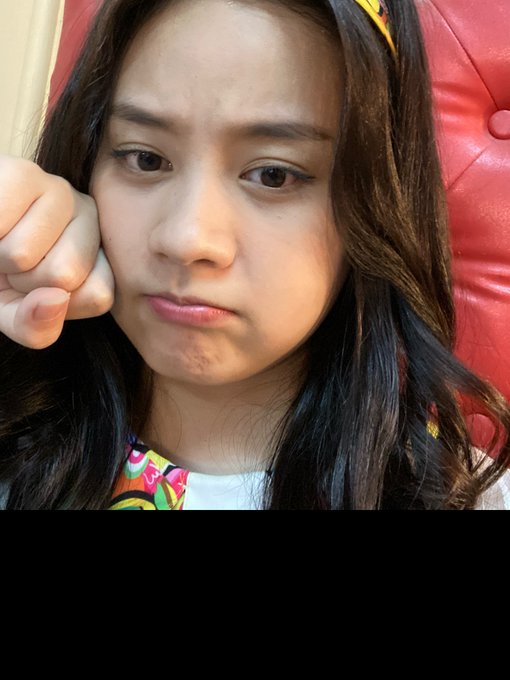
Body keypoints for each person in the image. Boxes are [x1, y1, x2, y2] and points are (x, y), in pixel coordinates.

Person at [0, 0, 509, 510]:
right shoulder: (15, 433)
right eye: (146, 159)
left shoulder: (459, 494)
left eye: (274, 175)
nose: (187, 239)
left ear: (373, 204)